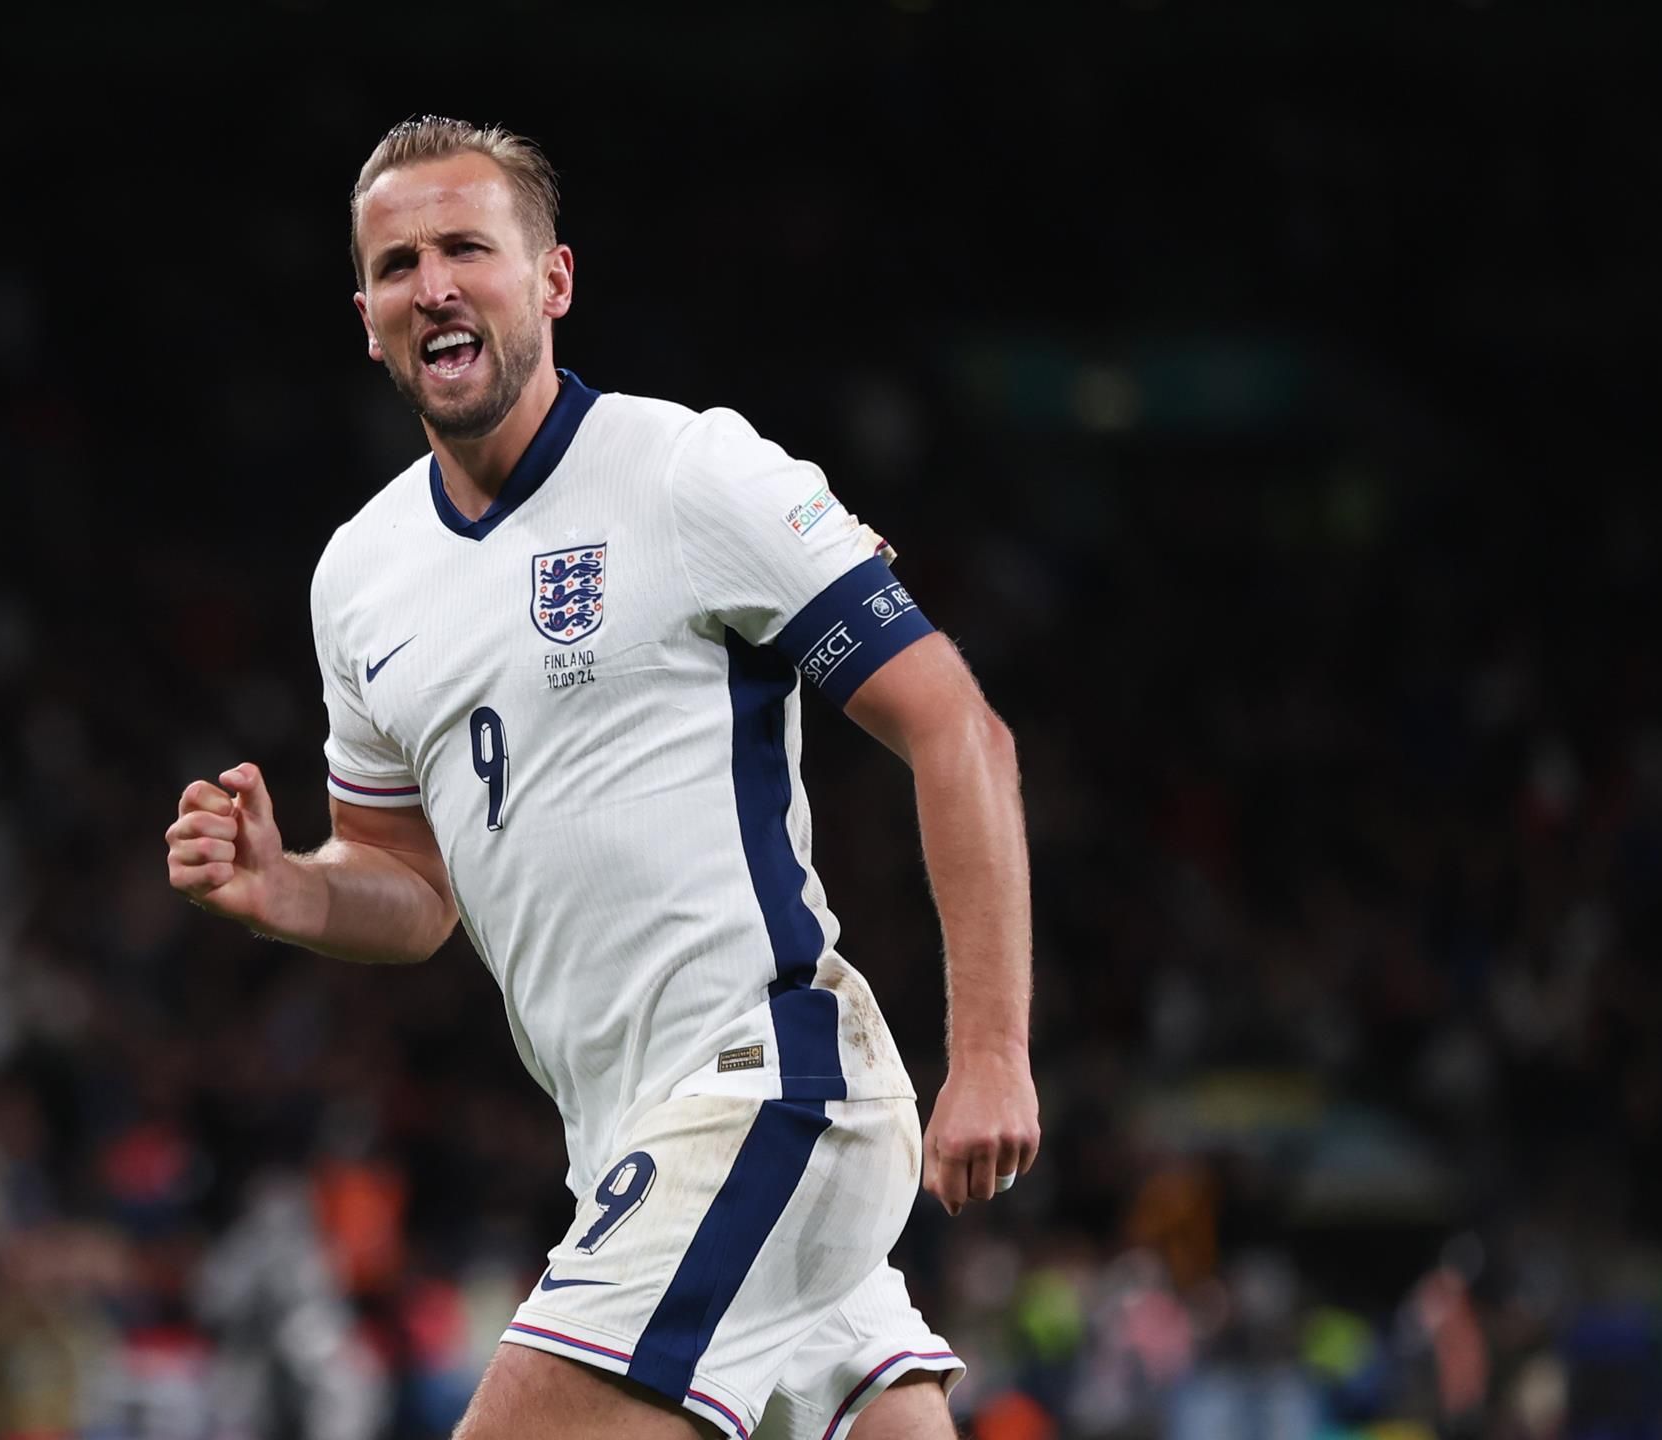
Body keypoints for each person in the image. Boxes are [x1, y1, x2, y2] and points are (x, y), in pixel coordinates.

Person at [164, 116, 1039, 1440]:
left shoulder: (689, 474)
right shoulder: (360, 576)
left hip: (764, 1088)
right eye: (401, 264)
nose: (436, 284)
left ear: (553, 279)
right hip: (638, 1140)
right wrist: (290, 889)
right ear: (367, 316)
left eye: (469, 247)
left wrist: (989, 1052)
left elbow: (956, 728)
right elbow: (409, 882)